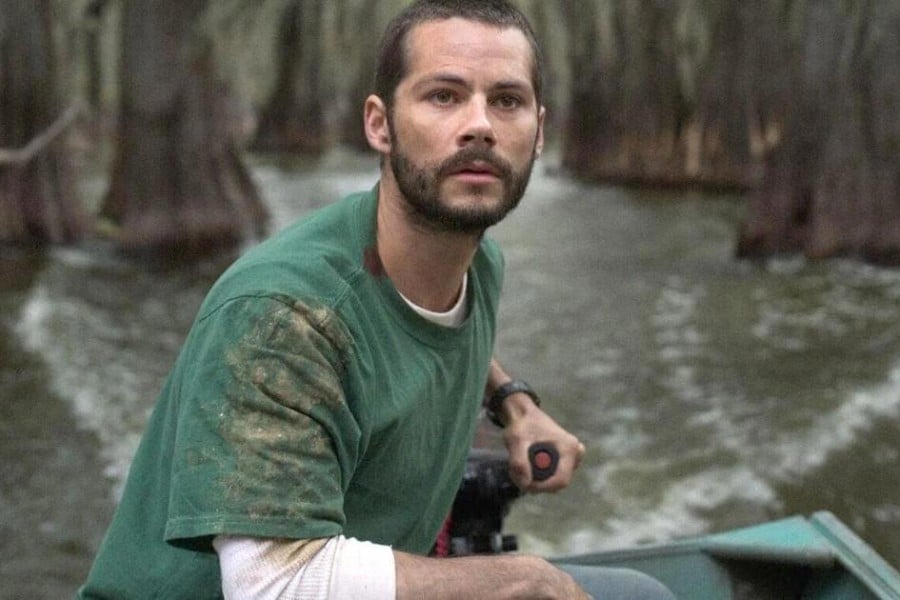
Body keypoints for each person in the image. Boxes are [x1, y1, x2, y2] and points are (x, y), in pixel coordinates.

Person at [78, 1, 675, 598]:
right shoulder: (282, 316)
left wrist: (512, 401)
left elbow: (427, 331)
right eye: (443, 96)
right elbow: (272, 584)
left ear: (538, 133)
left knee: (642, 592)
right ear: (379, 124)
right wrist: (523, 579)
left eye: (507, 101)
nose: (480, 125)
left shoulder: (477, 264)